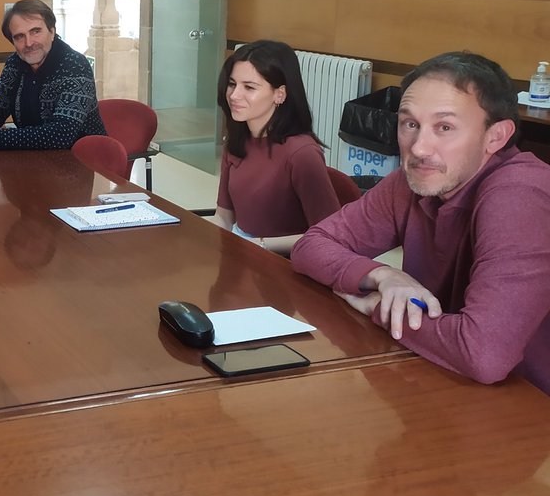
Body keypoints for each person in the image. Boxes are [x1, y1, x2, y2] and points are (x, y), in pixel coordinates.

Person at [292, 51, 550, 393]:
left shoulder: (520, 195)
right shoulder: (415, 180)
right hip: (445, 377)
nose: (419, 148)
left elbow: (483, 354)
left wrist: (377, 307)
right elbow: (311, 246)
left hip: (528, 406)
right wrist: (383, 274)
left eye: (444, 127)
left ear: (496, 136)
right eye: (410, 124)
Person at [214, 40, 341, 254]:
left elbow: (330, 234)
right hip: (242, 255)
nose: (234, 95)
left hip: (284, 265)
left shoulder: (301, 153)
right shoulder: (237, 140)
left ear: (279, 94)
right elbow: (224, 216)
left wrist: (260, 245)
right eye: (232, 84)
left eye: (249, 87)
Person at [0, 0, 105, 150]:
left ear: (52, 32)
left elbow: (62, 134)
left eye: (35, 31)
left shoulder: (75, 65)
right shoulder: (15, 63)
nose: (29, 43)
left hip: (84, 162)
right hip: (35, 159)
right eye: (19, 36)